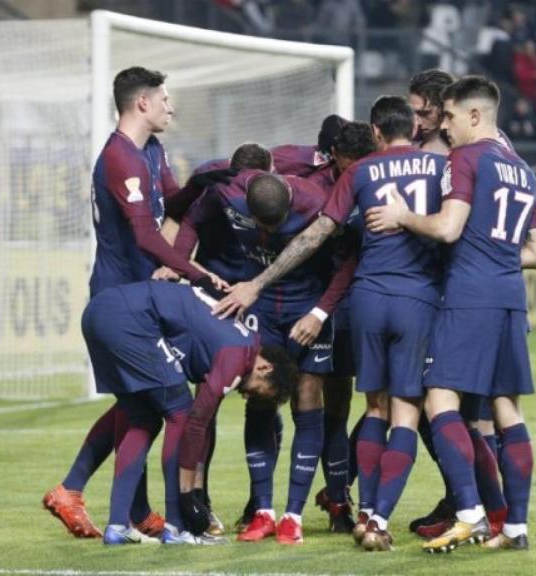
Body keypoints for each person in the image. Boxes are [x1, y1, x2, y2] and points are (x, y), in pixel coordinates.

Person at [210, 96, 446, 551]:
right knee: (408, 412)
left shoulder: (358, 174)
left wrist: (257, 283)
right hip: (417, 299)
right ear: (411, 128)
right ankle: (376, 517)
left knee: (370, 407)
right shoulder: (439, 167)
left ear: (377, 132)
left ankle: (334, 504)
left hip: (364, 301)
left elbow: (319, 232)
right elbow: (456, 226)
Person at [42, 66, 228, 541]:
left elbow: (174, 200)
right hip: (117, 296)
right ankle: (87, 494)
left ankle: (122, 507)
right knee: (151, 404)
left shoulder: (151, 149)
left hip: (140, 297)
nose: (171, 106)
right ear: (141, 103)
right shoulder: (119, 157)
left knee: (140, 405)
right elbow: (145, 235)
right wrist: (196, 271)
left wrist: (212, 180)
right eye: (164, 98)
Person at [365, 75, 536, 553]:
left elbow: (447, 229)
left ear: (474, 115)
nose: (442, 126)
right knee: (507, 409)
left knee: (438, 402)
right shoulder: (523, 169)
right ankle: (516, 528)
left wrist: (403, 216)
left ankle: (469, 514)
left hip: (469, 296)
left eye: (447, 116)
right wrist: (493, 251)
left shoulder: (467, 158)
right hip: (510, 296)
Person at [175, 166, 365, 545]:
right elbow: (194, 210)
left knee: (308, 397)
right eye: (259, 227)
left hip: (307, 310)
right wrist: (178, 259)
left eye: (274, 228)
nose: (265, 236)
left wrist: (321, 311)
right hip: (259, 310)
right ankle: (262, 510)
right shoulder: (229, 194)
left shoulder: (317, 205)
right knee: (258, 398)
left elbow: (351, 257)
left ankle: (293, 516)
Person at [82, 281, 296, 544]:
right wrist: (187, 496)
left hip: (99, 311)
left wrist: (194, 487)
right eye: (259, 392)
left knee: (142, 418)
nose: (247, 395)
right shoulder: (237, 356)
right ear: (266, 369)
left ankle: (117, 526)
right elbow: (195, 424)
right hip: (128, 319)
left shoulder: (243, 340)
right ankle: (176, 529)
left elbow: (204, 425)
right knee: (181, 413)